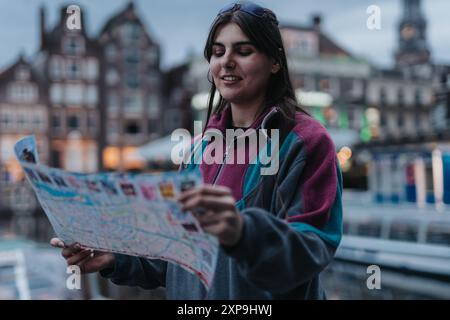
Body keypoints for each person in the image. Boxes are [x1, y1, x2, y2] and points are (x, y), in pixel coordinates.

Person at [51, 1, 343, 299]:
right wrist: (115, 257)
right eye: (218, 52)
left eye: (243, 51)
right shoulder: (198, 149)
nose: (226, 62)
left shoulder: (305, 141)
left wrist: (242, 233)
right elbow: (175, 256)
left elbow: (311, 249)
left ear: (274, 62)